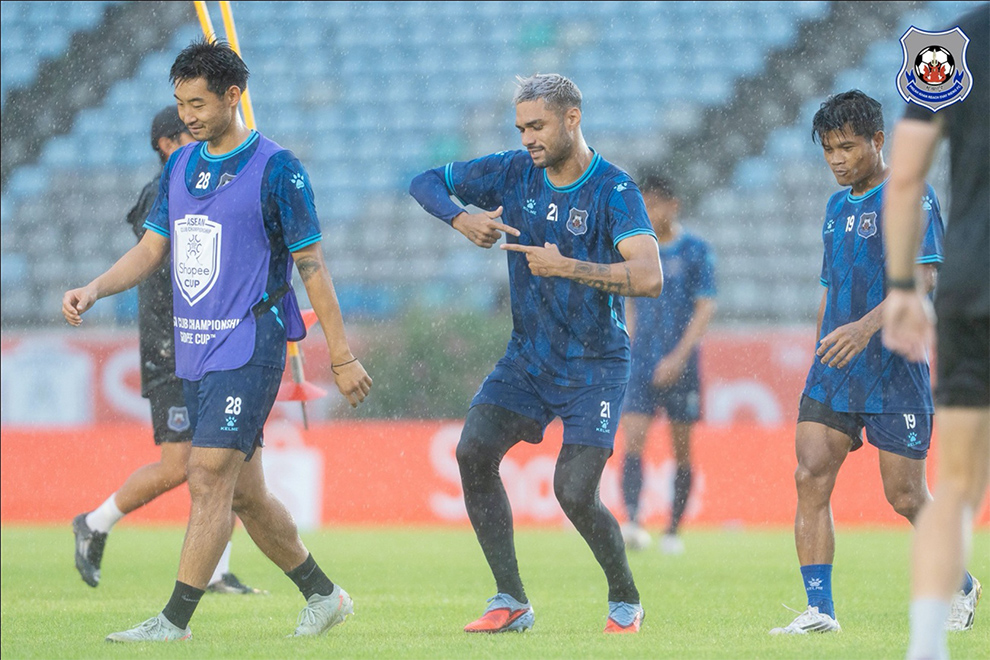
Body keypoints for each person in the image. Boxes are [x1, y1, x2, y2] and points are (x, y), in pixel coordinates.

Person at [62, 39, 372, 642]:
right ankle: (323, 595)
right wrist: (95, 287)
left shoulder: (279, 169)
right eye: (180, 103)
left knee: (205, 475)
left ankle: (172, 623)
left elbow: (313, 268)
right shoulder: (180, 167)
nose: (188, 116)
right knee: (248, 496)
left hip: (251, 342)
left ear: (234, 96)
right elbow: (153, 250)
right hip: (194, 346)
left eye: (198, 102)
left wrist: (340, 355)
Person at [409, 73, 663, 634]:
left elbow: (649, 278)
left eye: (537, 125)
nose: (527, 138)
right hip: (528, 358)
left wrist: (566, 265)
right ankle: (511, 599)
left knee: (573, 492)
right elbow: (424, 181)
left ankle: (625, 597)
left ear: (572, 118)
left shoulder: (614, 190)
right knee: (473, 452)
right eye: (521, 127)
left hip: (595, 364)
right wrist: (461, 217)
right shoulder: (512, 170)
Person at [768, 89, 973, 636]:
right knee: (809, 474)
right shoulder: (836, 207)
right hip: (835, 371)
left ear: (879, 141)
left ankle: (961, 583)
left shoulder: (910, 196)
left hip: (894, 368)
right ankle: (819, 611)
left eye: (847, 147)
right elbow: (829, 288)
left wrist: (862, 331)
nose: (837, 159)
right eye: (829, 149)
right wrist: (822, 351)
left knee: (905, 495)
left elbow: (925, 280)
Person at [71, 105, 263, 597]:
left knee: (229, 459)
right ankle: (95, 521)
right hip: (172, 345)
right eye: (186, 131)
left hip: (211, 340)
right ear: (165, 143)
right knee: (182, 464)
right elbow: (165, 253)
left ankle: (215, 572)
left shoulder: (208, 181)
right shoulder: (165, 189)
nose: (200, 137)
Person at [881, 4, 988, 658]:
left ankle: (927, 647)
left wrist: (900, 287)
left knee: (955, 485)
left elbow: (906, 176)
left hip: (974, 285)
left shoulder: (948, 45)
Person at [618, 172, 716, 555]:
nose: (648, 211)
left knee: (682, 448)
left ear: (672, 205)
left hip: (682, 366)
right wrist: (626, 339)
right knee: (634, 439)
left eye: (653, 203)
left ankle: (673, 529)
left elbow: (705, 306)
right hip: (641, 363)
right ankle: (632, 521)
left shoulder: (695, 251)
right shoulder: (637, 249)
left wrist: (677, 358)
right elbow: (627, 296)